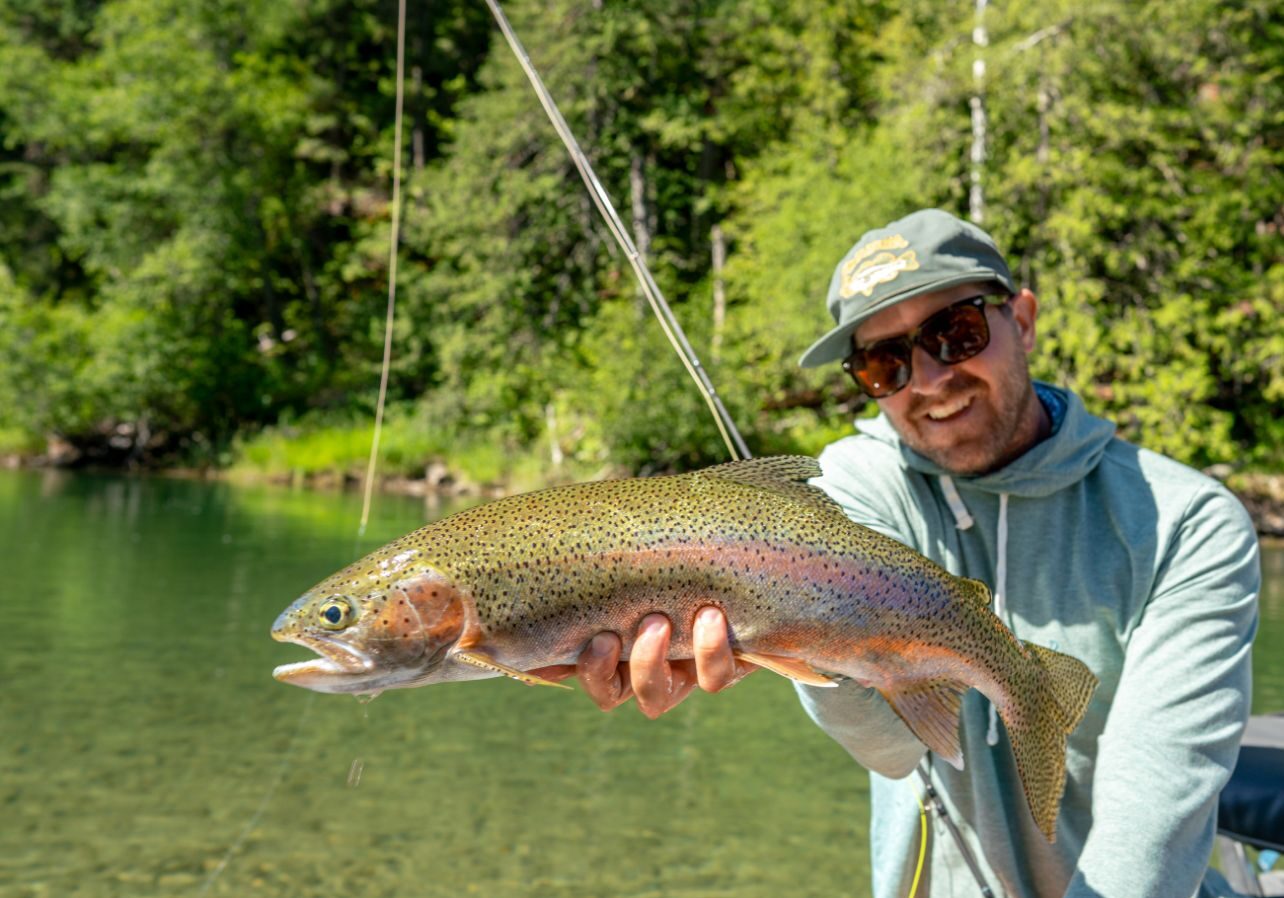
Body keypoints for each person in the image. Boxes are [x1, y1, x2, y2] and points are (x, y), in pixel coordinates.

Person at [535, 208, 1261, 898]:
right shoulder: (849, 491)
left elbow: (1156, 808)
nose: (932, 380)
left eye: (956, 332)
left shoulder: (1184, 522)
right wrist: (791, 642)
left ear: (1025, 319)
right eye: (885, 363)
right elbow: (894, 751)